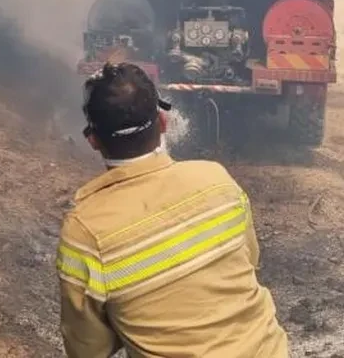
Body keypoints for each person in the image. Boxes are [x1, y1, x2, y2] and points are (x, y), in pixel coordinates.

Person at [56, 62, 289, 358]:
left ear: (93, 140)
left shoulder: (86, 231)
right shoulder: (217, 180)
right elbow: (249, 261)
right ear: (164, 121)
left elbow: (88, 349)